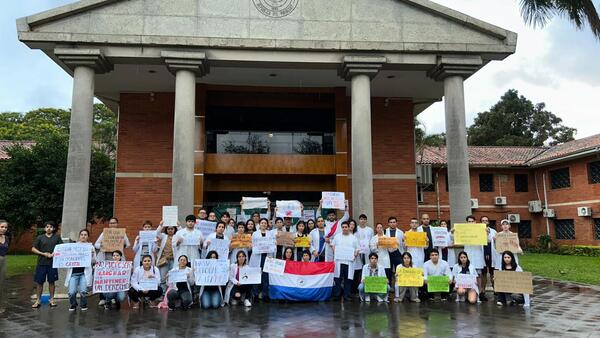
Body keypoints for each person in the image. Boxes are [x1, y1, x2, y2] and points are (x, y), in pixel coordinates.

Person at [31, 221, 63, 308]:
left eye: (51, 227)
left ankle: (52, 299)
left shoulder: (57, 237)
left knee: (51, 282)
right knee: (39, 282)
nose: (49, 228)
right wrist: (43, 254)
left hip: (52, 263)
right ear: (44, 228)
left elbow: (61, 248)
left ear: (53, 228)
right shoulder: (40, 238)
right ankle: (38, 300)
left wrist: (53, 254)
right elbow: (33, 249)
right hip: (41, 263)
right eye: (47, 227)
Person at [65, 229, 96, 311]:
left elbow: (94, 261)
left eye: (85, 235)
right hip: (73, 273)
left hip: (84, 273)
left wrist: (92, 254)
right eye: (82, 234)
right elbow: (68, 257)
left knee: (83, 291)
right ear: (79, 236)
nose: (83, 236)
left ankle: (83, 304)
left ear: (88, 237)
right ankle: (73, 304)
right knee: (72, 292)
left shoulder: (91, 247)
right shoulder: (74, 246)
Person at [332, 221, 358, 301]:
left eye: (346, 227)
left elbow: (357, 249)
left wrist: (355, 254)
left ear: (349, 227)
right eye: (343, 227)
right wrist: (335, 251)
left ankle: (346, 295)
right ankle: (337, 295)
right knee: (338, 278)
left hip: (349, 262)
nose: (344, 228)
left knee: (348, 279)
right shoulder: (337, 236)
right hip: (339, 261)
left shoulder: (353, 237)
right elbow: (333, 246)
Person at [249, 218, 275, 301]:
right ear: (259, 224)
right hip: (257, 257)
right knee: (256, 275)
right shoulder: (255, 234)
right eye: (262, 223)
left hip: (267, 257)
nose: (263, 224)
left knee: (266, 276)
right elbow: (252, 245)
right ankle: (255, 295)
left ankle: (265, 295)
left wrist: (274, 246)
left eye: (265, 223)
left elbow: (273, 245)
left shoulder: (270, 234)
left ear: (267, 225)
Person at [462, 215, 486, 301]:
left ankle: (479, 292)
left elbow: (488, 239)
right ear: (467, 222)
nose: (471, 223)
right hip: (467, 254)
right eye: (469, 221)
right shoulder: (463, 231)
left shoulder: (480, 230)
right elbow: (453, 238)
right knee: (466, 275)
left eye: (472, 221)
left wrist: (486, 232)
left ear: (475, 222)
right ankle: (467, 293)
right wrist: (453, 231)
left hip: (477, 255)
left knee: (478, 275)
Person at [154, 222, 177, 292]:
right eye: (168, 229)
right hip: (164, 260)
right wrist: (161, 225)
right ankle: (163, 293)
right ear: (166, 230)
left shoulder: (177, 236)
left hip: (173, 260)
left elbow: (183, 234)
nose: (170, 230)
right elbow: (156, 233)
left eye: (172, 229)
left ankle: (171, 293)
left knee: (173, 278)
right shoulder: (164, 236)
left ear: (174, 229)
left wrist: (178, 225)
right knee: (163, 278)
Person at [369, 223, 392, 287]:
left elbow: (390, 250)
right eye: (378, 228)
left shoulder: (387, 237)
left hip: (385, 259)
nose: (379, 229)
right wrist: (376, 245)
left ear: (382, 228)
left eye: (380, 227)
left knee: (386, 275)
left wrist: (390, 246)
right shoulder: (373, 238)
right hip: (377, 259)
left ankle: (387, 291)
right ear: (376, 229)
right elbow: (372, 249)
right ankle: (378, 290)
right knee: (378, 275)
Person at [480, 216, 496, 301]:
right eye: (483, 221)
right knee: (483, 273)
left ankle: (495, 289)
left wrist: (490, 235)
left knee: (493, 273)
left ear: (488, 222)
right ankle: (482, 290)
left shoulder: (493, 231)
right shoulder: (478, 231)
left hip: (492, 254)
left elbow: (495, 242)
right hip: (482, 254)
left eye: (486, 220)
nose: (485, 222)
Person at [0, 220, 10, 314]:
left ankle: (1, 306)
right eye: (2, 227)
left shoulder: (6, 238)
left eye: (5, 227)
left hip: (3, 260)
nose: (4, 229)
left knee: (2, 284)